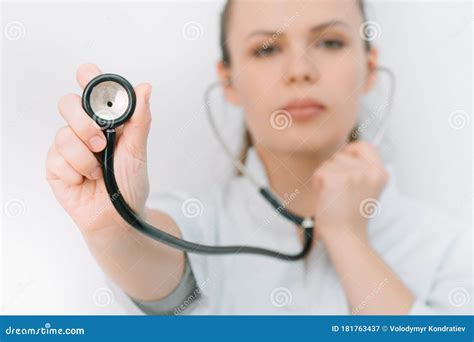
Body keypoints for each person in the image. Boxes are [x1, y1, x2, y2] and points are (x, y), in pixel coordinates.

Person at [45, 0, 472, 315]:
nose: (300, 69)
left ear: (370, 68)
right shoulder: (199, 228)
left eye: (330, 41)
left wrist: (346, 235)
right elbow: (161, 280)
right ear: (228, 81)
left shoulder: (451, 248)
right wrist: (116, 226)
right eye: (267, 49)